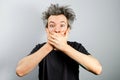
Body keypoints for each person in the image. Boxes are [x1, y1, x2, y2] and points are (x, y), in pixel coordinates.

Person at [16, 4, 102, 80]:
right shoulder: (39, 48)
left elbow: (97, 69)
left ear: (68, 30)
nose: (57, 30)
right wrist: (50, 45)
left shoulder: (76, 46)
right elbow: (20, 71)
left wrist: (64, 47)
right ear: (47, 30)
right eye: (52, 25)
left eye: (62, 25)